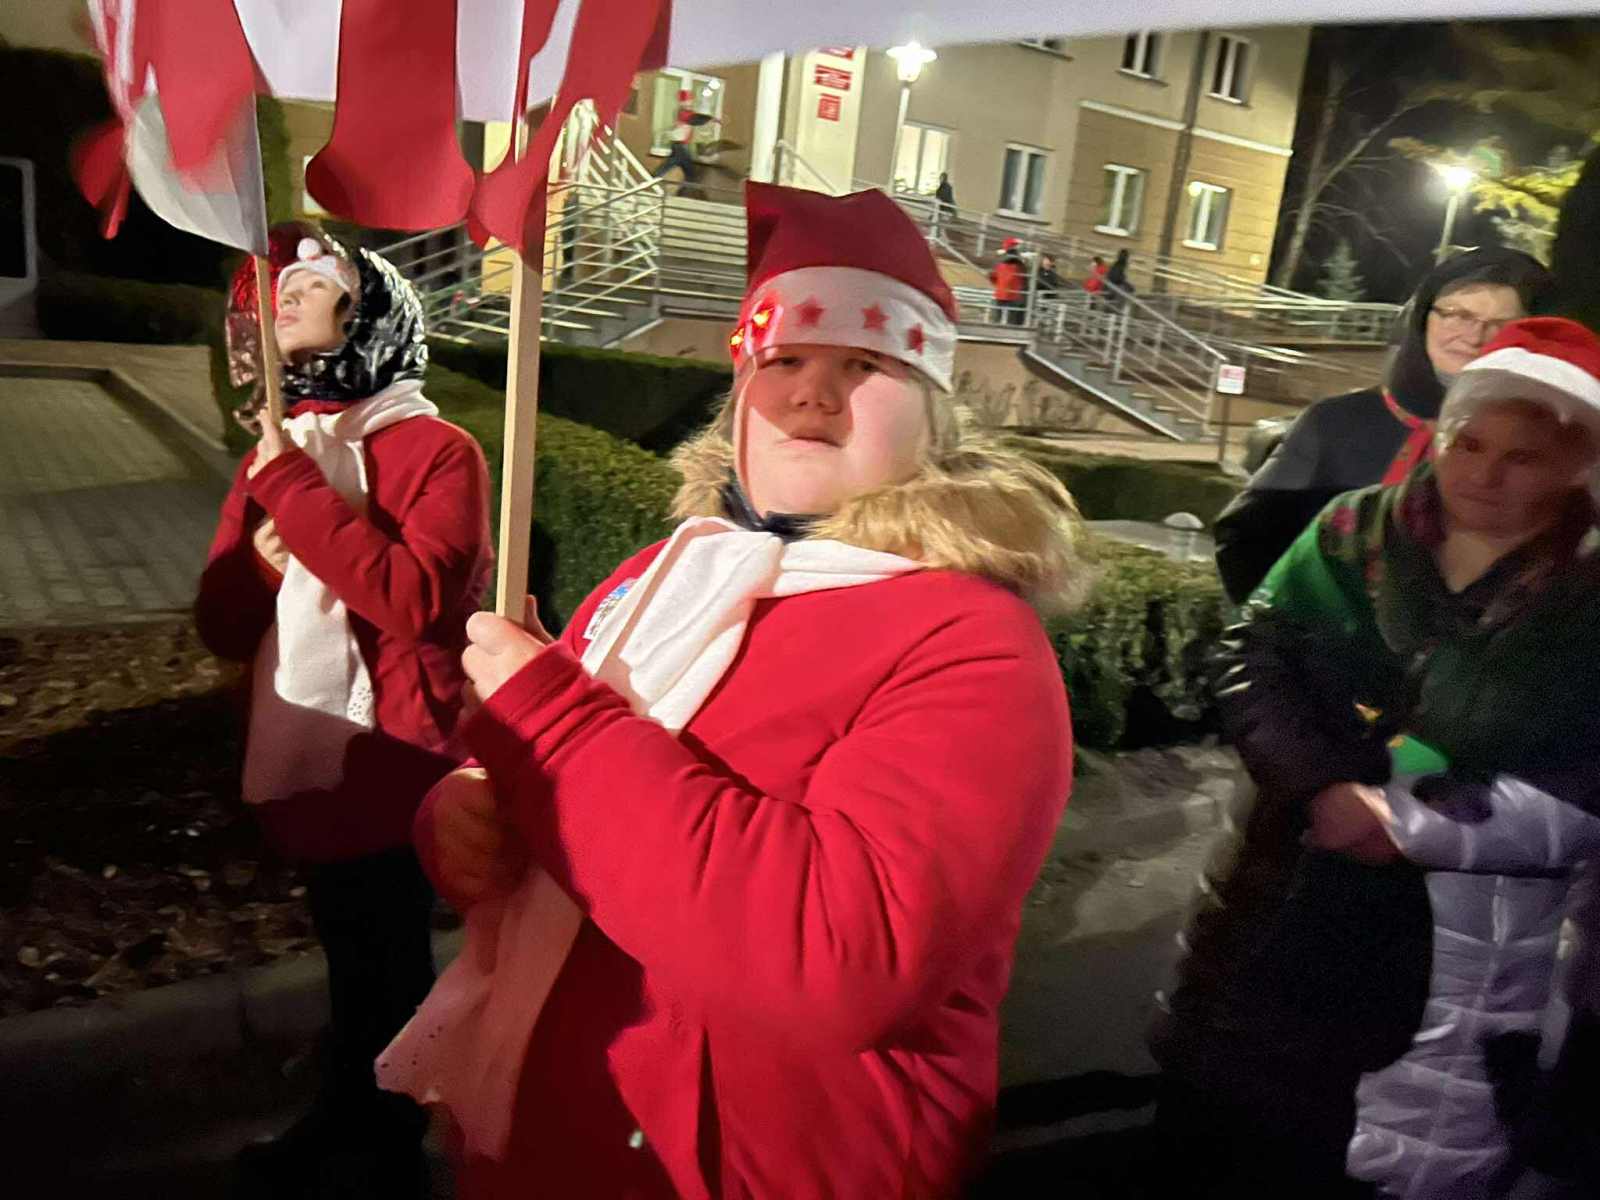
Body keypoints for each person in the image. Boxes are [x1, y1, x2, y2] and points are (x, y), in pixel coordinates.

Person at [381, 182, 1087, 1199]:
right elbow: (552, 812)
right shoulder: (667, 573)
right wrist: (465, 815)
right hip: (558, 1141)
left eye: (866, 364)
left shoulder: (972, 644)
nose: (812, 394)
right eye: (783, 360)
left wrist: (557, 730)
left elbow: (841, 964)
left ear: (933, 415)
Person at [1150, 317, 1600, 1199]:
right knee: (1223, 1119)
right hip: (1282, 886)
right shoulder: (1354, 528)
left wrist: (1415, 826)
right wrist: (1319, 786)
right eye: (1468, 443)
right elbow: (1254, 654)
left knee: (1381, 1151)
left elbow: (1587, 780)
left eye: (1524, 458)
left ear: (1579, 463)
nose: (1483, 474)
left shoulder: (1589, 589)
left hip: (1460, 932)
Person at [196, 228, 493, 1198]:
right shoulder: (278, 451)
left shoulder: (436, 451)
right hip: (310, 748)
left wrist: (293, 491)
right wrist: (259, 563)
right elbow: (219, 623)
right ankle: (348, 1117)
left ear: (370, 310)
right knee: (349, 954)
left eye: (313, 277)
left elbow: (415, 599)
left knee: (390, 959)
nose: (283, 292)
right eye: (276, 282)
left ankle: (387, 1146)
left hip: (398, 756)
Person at [1212, 247, 1552, 604]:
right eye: (1458, 314)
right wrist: (1297, 621)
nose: (1475, 335)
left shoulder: (1549, 440)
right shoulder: (1335, 424)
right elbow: (1245, 539)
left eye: (1501, 325)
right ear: (1422, 317)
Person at [990, 235, 1027, 325]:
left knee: (996, 318)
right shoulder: (1020, 263)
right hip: (1013, 294)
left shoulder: (999, 262)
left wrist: (998, 285)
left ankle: (995, 326)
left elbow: (993, 276)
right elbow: (1024, 278)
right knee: (1012, 319)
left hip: (1001, 292)